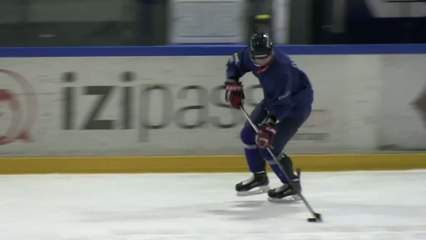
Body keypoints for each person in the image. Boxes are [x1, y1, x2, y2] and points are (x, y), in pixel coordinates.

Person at [225, 32, 314, 201]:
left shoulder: (281, 70)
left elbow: (284, 104)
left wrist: (270, 125)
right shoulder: (249, 56)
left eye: (265, 57)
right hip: (273, 100)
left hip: (295, 107)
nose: (261, 62)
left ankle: (291, 183)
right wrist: (232, 82)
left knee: (268, 147)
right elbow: (234, 63)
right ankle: (259, 177)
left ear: (272, 51)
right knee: (248, 135)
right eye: (257, 58)